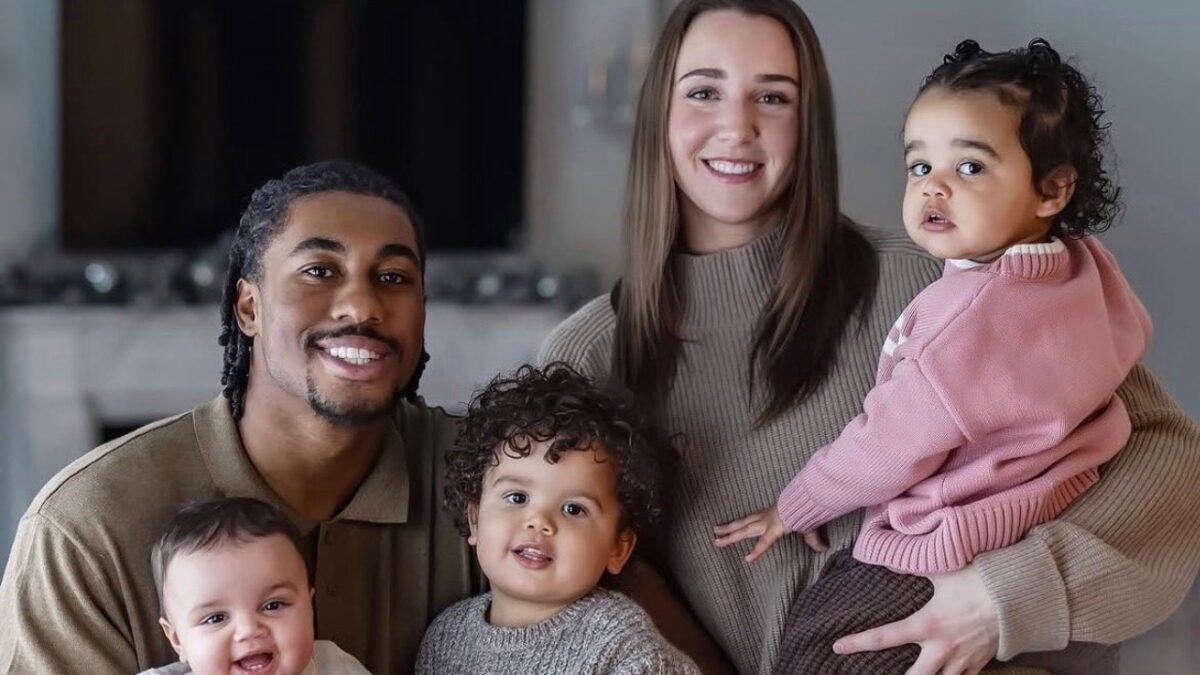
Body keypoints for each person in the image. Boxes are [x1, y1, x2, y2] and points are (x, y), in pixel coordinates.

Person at [538, 1, 1200, 674]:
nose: (737, 127)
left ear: (810, 123)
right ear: (657, 111)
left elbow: (1172, 455)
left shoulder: (947, 279)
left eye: (773, 96)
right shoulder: (586, 357)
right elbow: (579, 594)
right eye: (704, 92)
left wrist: (1000, 600)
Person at [712, 38, 1151, 675]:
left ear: (1052, 190)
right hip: (1053, 511)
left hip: (944, 541)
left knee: (818, 650)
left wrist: (796, 506)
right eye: (919, 166)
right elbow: (1132, 334)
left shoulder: (957, 326)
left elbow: (884, 448)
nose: (933, 187)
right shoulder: (1089, 267)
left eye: (970, 167)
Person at [0, 160, 478, 674]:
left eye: (393, 277)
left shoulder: (496, 483)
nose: (362, 307)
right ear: (248, 307)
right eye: (319, 271)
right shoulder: (86, 527)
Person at [416, 363, 700, 674]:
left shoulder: (624, 646)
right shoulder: (445, 638)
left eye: (573, 509)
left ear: (617, 548)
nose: (539, 521)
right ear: (475, 519)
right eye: (517, 498)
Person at [138, 498, 369, 675]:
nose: (249, 630)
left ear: (310, 608)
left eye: (273, 605)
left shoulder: (337, 667)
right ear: (177, 640)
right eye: (215, 618)